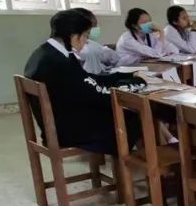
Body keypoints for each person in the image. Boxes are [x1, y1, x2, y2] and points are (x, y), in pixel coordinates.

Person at [23, 10, 145, 155]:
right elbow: (98, 93)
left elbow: (88, 79)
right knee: (135, 116)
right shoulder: (59, 63)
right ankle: (141, 169)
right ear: (74, 35)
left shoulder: (44, 53)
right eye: (86, 36)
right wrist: (138, 83)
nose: (86, 41)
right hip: (70, 131)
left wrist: (124, 75)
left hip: (59, 123)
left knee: (125, 113)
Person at [72, 8, 121, 75]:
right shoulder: (86, 49)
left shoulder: (92, 44)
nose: (95, 28)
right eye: (93, 26)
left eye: (95, 25)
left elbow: (114, 57)